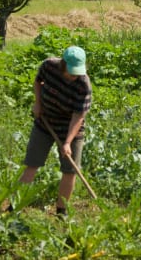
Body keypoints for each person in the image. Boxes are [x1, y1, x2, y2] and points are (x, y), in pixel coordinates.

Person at [18, 45, 92, 216]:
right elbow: (38, 82)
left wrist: (67, 142)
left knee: (70, 170)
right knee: (32, 163)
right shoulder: (49, 66)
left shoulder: (83, 85)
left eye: (77, 72)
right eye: (71, 72)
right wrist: (38, 103)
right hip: (45, 122)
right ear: (63, 65)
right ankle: (16, 206)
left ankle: (61, 211)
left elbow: (78, 116)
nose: (74, 76)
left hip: (71, 128)